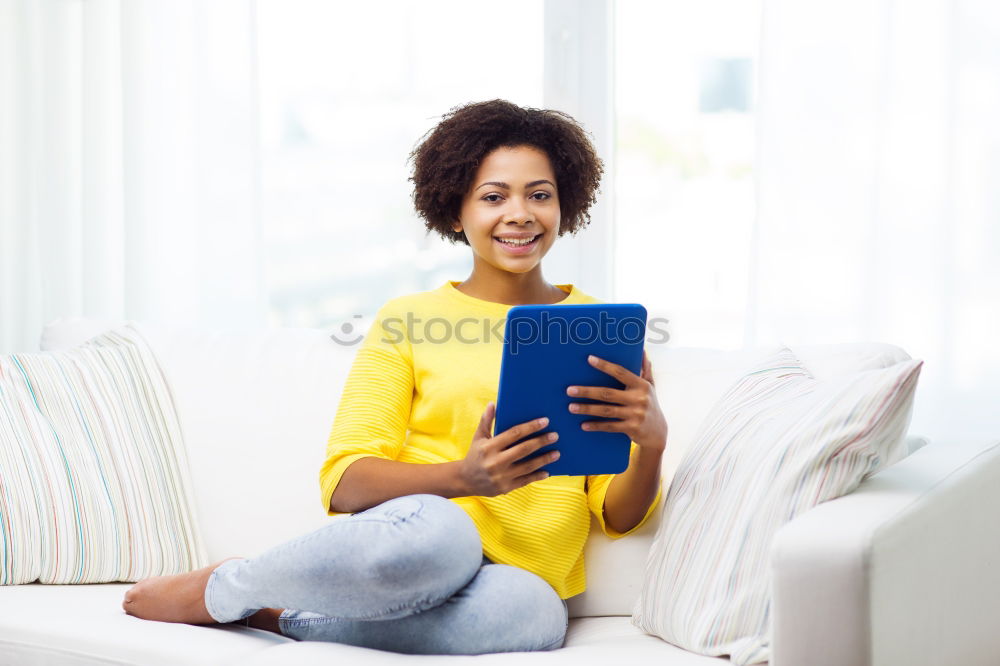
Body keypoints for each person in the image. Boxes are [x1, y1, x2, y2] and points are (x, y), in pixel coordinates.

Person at [121, 99, 668, 655]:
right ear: (456, 213)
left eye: (539, 194)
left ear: (563, 205)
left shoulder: (595, 327)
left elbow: (616, 514)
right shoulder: (409, 319)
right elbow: (346, 480)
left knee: (537, 617)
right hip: (422, 538)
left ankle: (274, 614)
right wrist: (465, 478)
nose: (521, 213)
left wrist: (650, 443)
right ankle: (225, 587)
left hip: (515, 579)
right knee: (445, 537)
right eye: (494, 196)